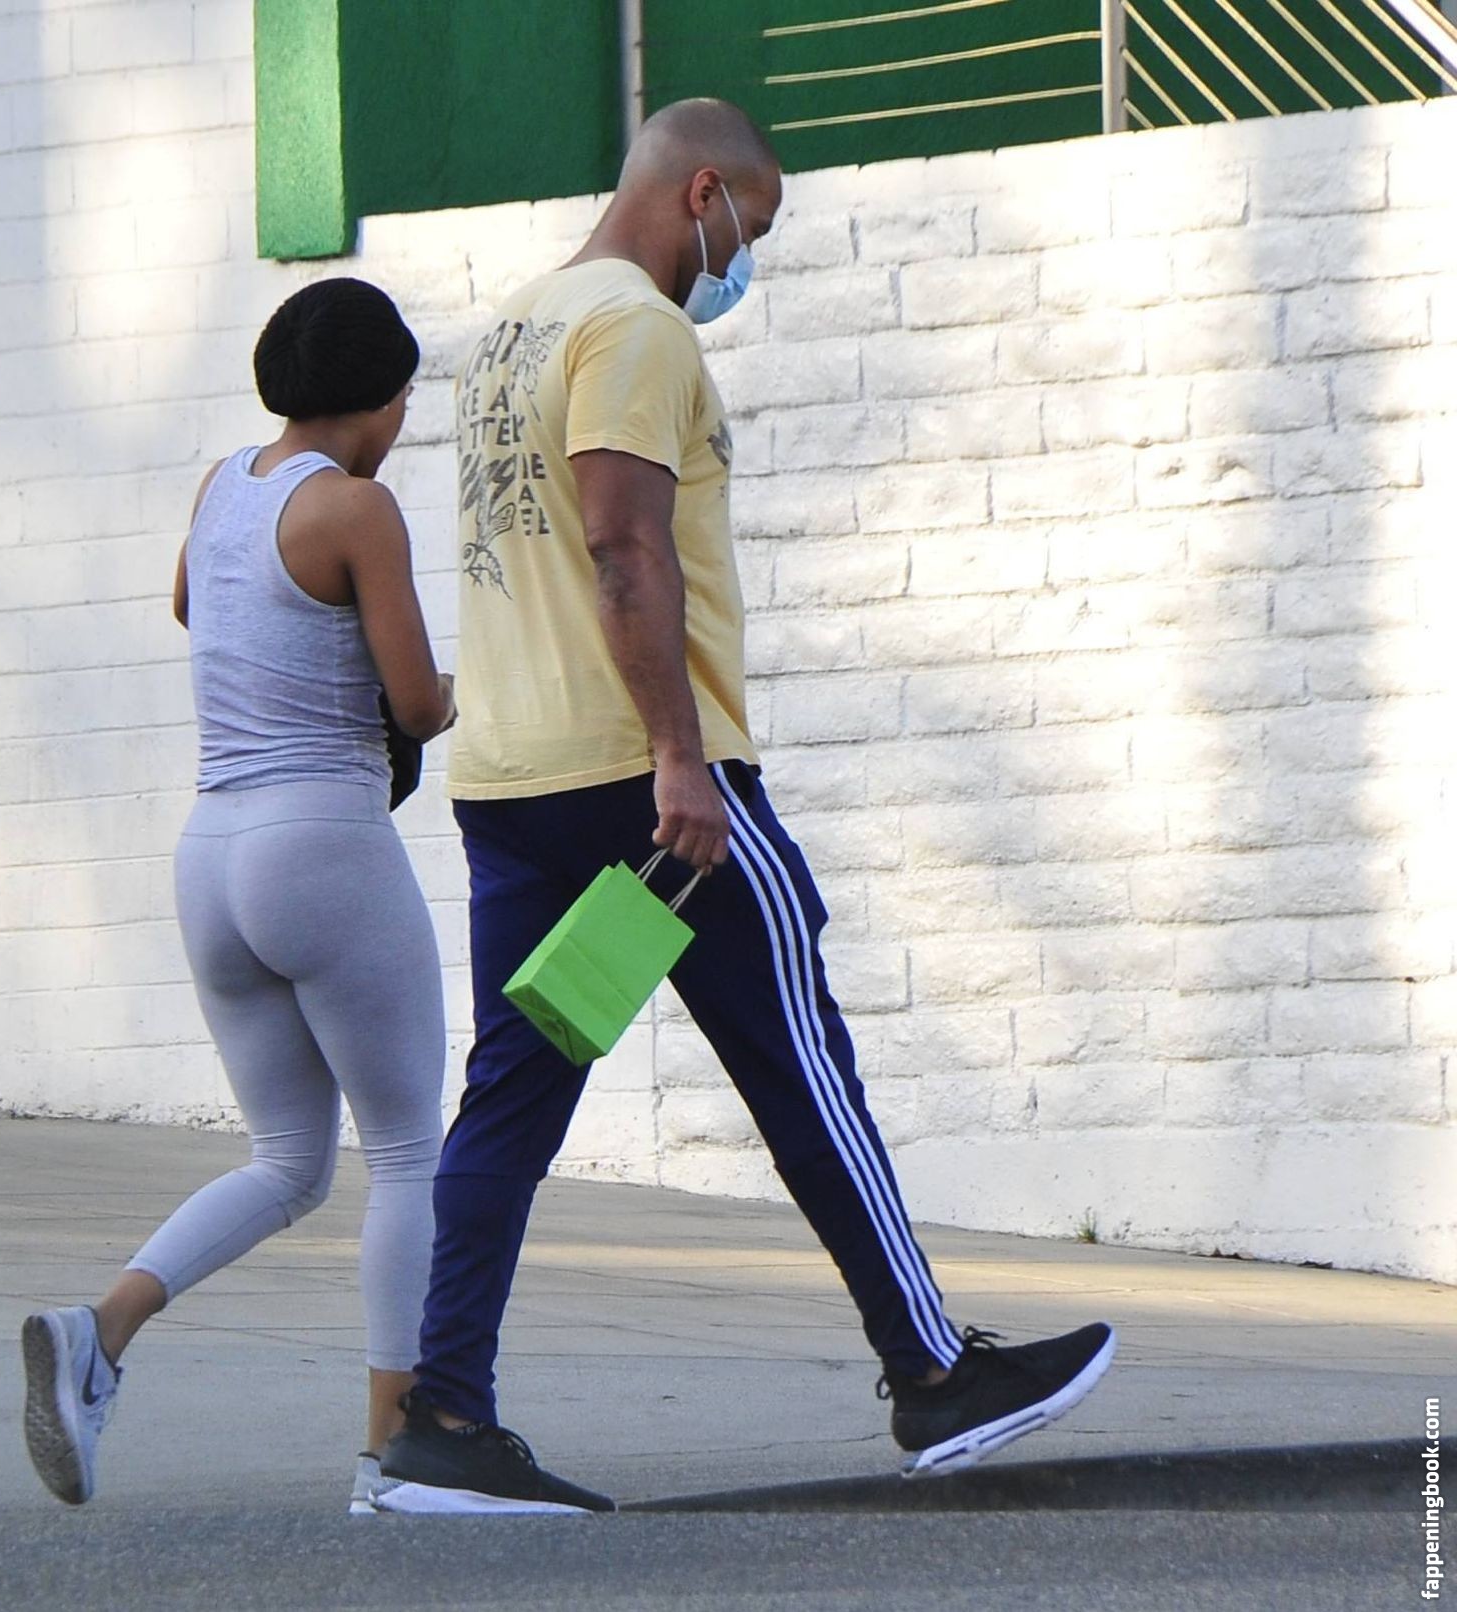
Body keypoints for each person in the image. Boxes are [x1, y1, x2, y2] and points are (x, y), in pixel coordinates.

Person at [375, 101, 1115, 1515]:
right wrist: (681, 757)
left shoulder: (512, 332)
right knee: (800, 1064)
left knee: (513, 1100)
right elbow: (620, 542)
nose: (741, 259)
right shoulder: (637, 329)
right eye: (748, 228)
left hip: (519, 787)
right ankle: (932, 1370)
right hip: (654, 799)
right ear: (700, 191)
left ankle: (444, 1421)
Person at [20, 278, 456, 1516]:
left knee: (288, 1161)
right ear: (381, 399)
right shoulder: (357, 508)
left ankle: (100, 1332)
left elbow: (187, 601)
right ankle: (394, 1456)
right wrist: (451, 697)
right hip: (319, 841)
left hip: (210, 854)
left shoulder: (222, 485)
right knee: (407, 1153)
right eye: (405, 399)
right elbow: (417, 701)